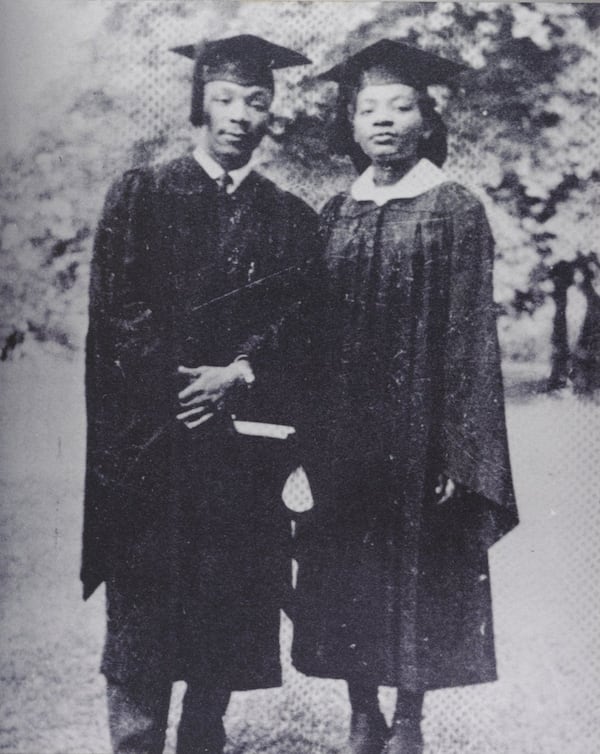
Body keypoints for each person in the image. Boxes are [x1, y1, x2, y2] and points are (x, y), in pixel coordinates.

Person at [81, 34, 316, 754]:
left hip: (239, 454)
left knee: (223, 621)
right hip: (154, 447)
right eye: (225, 98)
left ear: (271, 111)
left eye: (257, 100)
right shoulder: (144, 191)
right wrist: (184, 388)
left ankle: (204, 741)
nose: (241, 114)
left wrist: (238, 376)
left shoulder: (291, 216)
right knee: (147, 622)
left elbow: (302, 323)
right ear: (199, 105)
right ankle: (136, 742)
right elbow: (118, 311)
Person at [292, 40, 519, 754]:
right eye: (368, 109)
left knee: (418, 570)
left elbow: (472, 335)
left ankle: (411, 717)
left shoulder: (454, 207)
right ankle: (363, 712)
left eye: (402, 106)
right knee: (348, 568)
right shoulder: (334, 211)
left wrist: (461, 443)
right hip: (343, 434)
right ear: (350, 124)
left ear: (427, 118)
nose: (384, 121)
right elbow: (307, 331)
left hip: (421, 429)